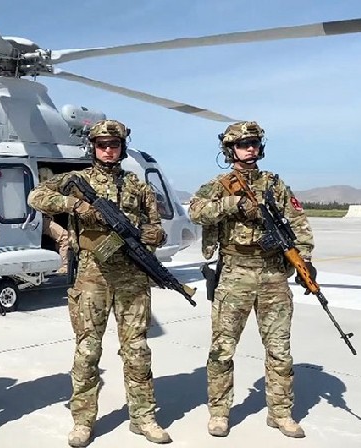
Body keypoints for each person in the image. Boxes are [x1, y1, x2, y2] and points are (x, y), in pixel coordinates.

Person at [28, 119, 170, 446]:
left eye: (114, 145)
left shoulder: (137, 186)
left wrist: (151, 235)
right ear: (93, 148)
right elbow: (36, 196)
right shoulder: (77, 181)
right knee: (88, 351)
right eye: (102, 145)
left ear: (122, 148)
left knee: (137, 350)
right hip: (91, 277)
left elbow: (156, 227)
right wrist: (76, 205)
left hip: (132, 277)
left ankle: (144, 417)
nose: (108, 151)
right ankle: (83, 420)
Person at [188, 121, 315, 438]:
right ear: (230, 149)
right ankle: (219, 413)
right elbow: (196, 211)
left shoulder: (274, 184)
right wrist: (232, 204)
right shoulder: (218, 185)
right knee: (222, 349)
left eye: (255, 143)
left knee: (279, 350)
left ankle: (281, 413)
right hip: (235, 273)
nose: (250, 149)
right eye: (243, 144)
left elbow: (298, 221)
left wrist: (306, 260)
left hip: (273, 274)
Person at [37, 167, 70, 274]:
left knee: (58, 239)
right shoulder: (41, 191)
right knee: (65, 237)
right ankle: (65, 266)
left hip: (40, 219)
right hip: (40, 220)